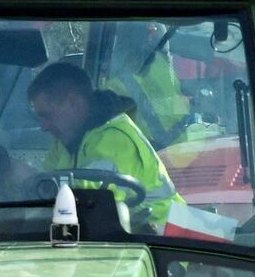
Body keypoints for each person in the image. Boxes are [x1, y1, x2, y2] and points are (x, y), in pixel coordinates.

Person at [24, 61, 179, 226]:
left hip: (165, 240)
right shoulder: (65, 141)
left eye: (47, 115)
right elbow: (46, 194)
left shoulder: (114, 138)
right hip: (118, 238)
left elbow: (89, 201)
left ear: (74, 103)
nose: (44, 126)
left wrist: (27, 180)